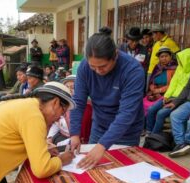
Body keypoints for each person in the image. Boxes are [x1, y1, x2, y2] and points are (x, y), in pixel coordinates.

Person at [70, 27, 145, 169]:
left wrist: (103, 145)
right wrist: (74, 133)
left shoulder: (133, 70)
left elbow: (127, 113)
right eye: (93, 67)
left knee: (123, 172)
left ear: (115, 55)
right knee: (92, 169)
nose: (98, 71)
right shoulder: (85, 67)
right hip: (99, 125)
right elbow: (78, 102)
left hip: (126, 130)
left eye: (103, 66)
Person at [146, 48, 190, 134]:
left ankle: (154, 135)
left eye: (182, 59)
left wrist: (163, 92)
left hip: (180, 99)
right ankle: (148, 131)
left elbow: (187, 90)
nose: (180, 61)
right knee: (151, 109)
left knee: (161, 113)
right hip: (169, 95)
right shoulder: (180, 68)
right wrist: (166, 96)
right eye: (162, 56)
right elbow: (173, 84)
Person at [143, 46, 177, 115]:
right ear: (159, 58)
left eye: (166, 56)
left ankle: (150, 125)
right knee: (141, 104)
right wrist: (153, 88)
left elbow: (173, 85)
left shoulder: (175, 68)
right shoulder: (157, 67)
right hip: (154, 93)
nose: (164, 58)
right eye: (162, 56)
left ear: (170, 56)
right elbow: (152, 81)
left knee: (151, 108)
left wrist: (159, 90)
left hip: (166, 95)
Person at [47, 75, 76, 146]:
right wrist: (50, 137)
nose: (69, 90)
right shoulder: (60, 104)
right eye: (67, 87)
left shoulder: (86, 107)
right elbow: (56, 123)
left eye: (72, 87)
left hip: (74, 141)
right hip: (60, 137)